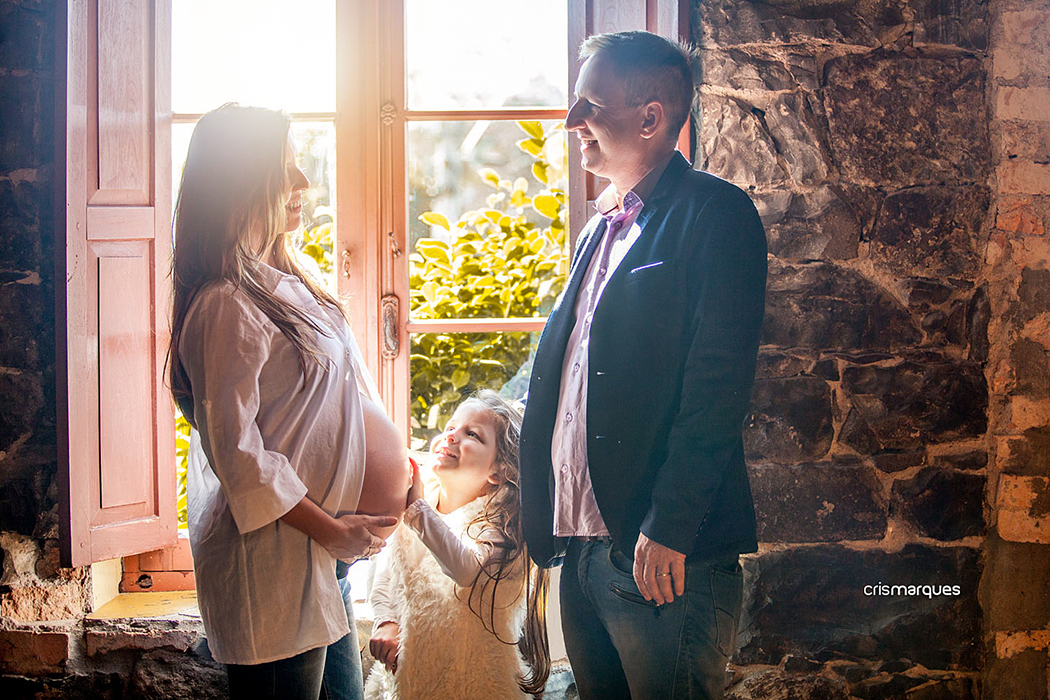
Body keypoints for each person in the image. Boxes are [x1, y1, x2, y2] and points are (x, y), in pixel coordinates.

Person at [518, 31, 768, 700]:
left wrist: (669, 527)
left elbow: (715, 389)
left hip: (661, 554)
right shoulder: (597, 229)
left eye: (588, 105)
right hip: (583, 552)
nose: (571, 123)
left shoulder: (717, 215)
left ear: (652, 118)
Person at [168, 103, 409, 700]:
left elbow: (349, 398)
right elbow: (240, 456)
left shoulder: (291, 281)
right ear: (239, 183)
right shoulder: (225, 304)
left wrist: (404, 472)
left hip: (327, 562)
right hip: (278, 566)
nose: (303, 182)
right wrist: (330, 529)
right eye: (286, 168)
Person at [365, 391, 551, 700]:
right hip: (412, 683)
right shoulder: (421, 504)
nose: (452, 435)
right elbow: (383, 569)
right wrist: (385, 621)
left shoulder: (503, 525)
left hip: (475, 686)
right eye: (451, 425)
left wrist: (417, 510)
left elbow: (467, 571)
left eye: (472, 435)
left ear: (499, 471)